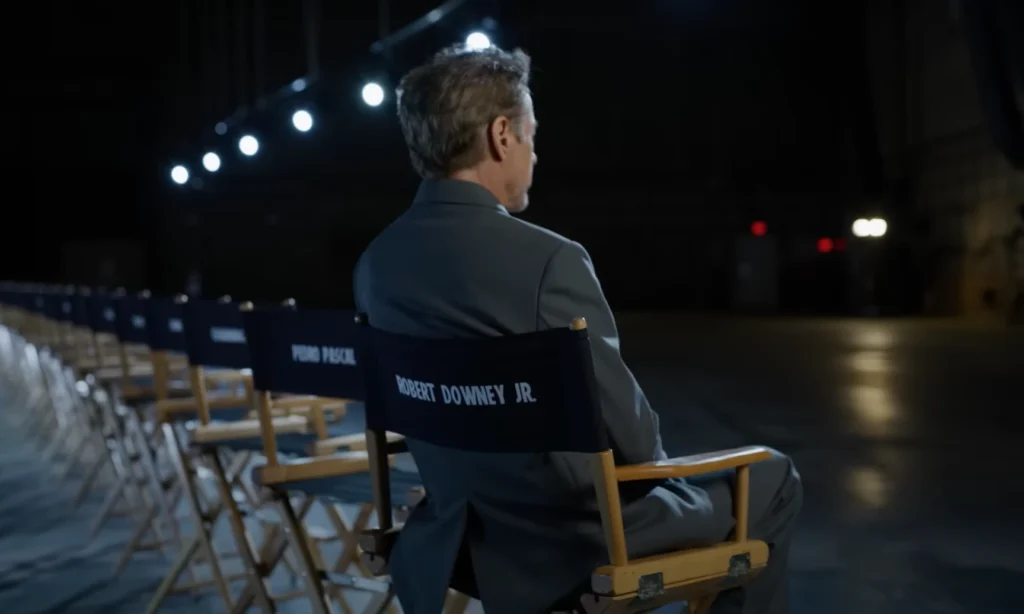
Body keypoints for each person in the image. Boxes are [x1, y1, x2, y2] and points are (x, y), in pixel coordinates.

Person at [354, 44, 802, 614]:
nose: (535, 156)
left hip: (456, 534)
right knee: (772, 476)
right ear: (500, 136)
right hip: (570, 544)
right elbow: (636, 446)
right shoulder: (549, 261)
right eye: (531, 137)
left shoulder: (375, 264)